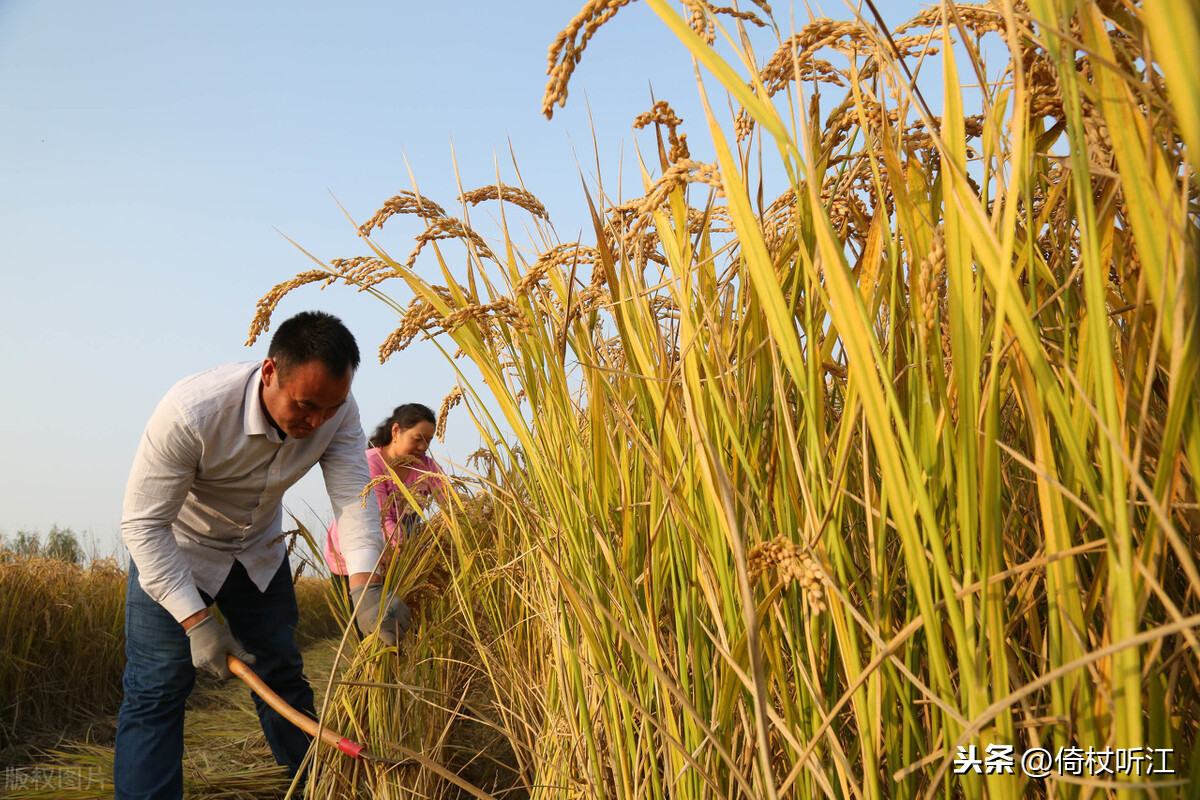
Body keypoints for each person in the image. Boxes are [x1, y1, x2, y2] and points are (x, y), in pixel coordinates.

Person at [114, 311, 410, 800]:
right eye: (305, 406)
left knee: (280, 671)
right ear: (270, 372)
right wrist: (195, 622)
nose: (317, 422)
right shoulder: (193, 413)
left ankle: (314, 785)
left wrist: (366, 585)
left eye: (329, 409)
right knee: (158, 688)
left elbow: (354, 495)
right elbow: (143, 525)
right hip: (177, 556)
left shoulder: (337, 409)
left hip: (257, 553)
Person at [323, 403, 450, 599]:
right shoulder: (371, 463)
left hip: (398, 561)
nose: (423, 447)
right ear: (396, 431)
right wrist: (417, 556)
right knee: (367, 625)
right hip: (355, 561)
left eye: (429, 441)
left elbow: (451, 502)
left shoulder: (426, 466)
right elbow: (380, 521)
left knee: (398, 624)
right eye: (417, 439)